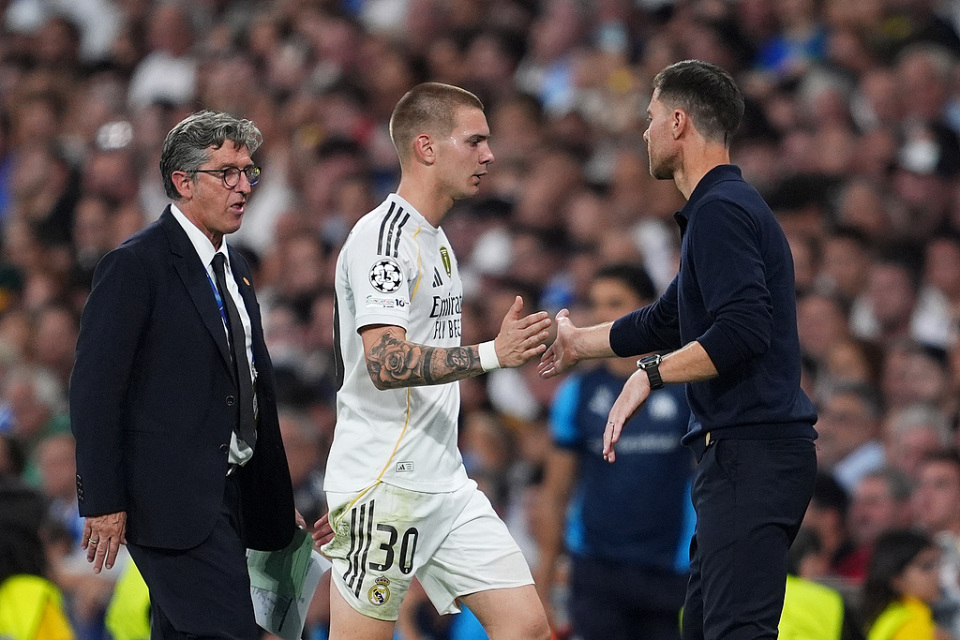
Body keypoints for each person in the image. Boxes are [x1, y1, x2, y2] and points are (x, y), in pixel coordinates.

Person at [538, 59, 819, 640]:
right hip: (743, 454)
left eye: (651, 118)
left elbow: (744, 329)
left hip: (752, 450)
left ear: (679, 122)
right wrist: (580, 343)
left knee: (734, 632)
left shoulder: (721, 210)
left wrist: (650, 374)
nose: (644, 132)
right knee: (707, 629)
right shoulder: (718, 208)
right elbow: (668, 319)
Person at [316, 82, 552, 640]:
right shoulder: (383, 239)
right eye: (474, 141)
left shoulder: (436, 241)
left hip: (444, 481)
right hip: (386, 486)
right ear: (426, 147)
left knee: (527, 629)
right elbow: (384, 362)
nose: (489, 155)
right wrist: (492, 353)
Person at [69, 110, 300, 639]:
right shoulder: (136, 265)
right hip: (169, 503)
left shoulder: (236, 267)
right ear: (184, 181)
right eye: (227, 174)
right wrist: (103, 500)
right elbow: (95, 390)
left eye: (249, 172)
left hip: (232, 495)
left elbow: (250, 389)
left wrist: (271, 500)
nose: (244, 186)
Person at [536, 263, 694, 640]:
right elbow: (555, 494)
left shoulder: (684, 384)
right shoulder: (578, 393)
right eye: (596, 304)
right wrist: (544, 580)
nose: (602, 314)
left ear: (648, 307)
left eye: (615, 303)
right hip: (596, 571)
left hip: (672, 569)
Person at [860, 529, 945, 640]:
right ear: (896, 578)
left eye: (938, 565)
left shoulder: (888, 616)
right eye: (926, 567)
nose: (937, 574)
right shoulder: (913, 623)